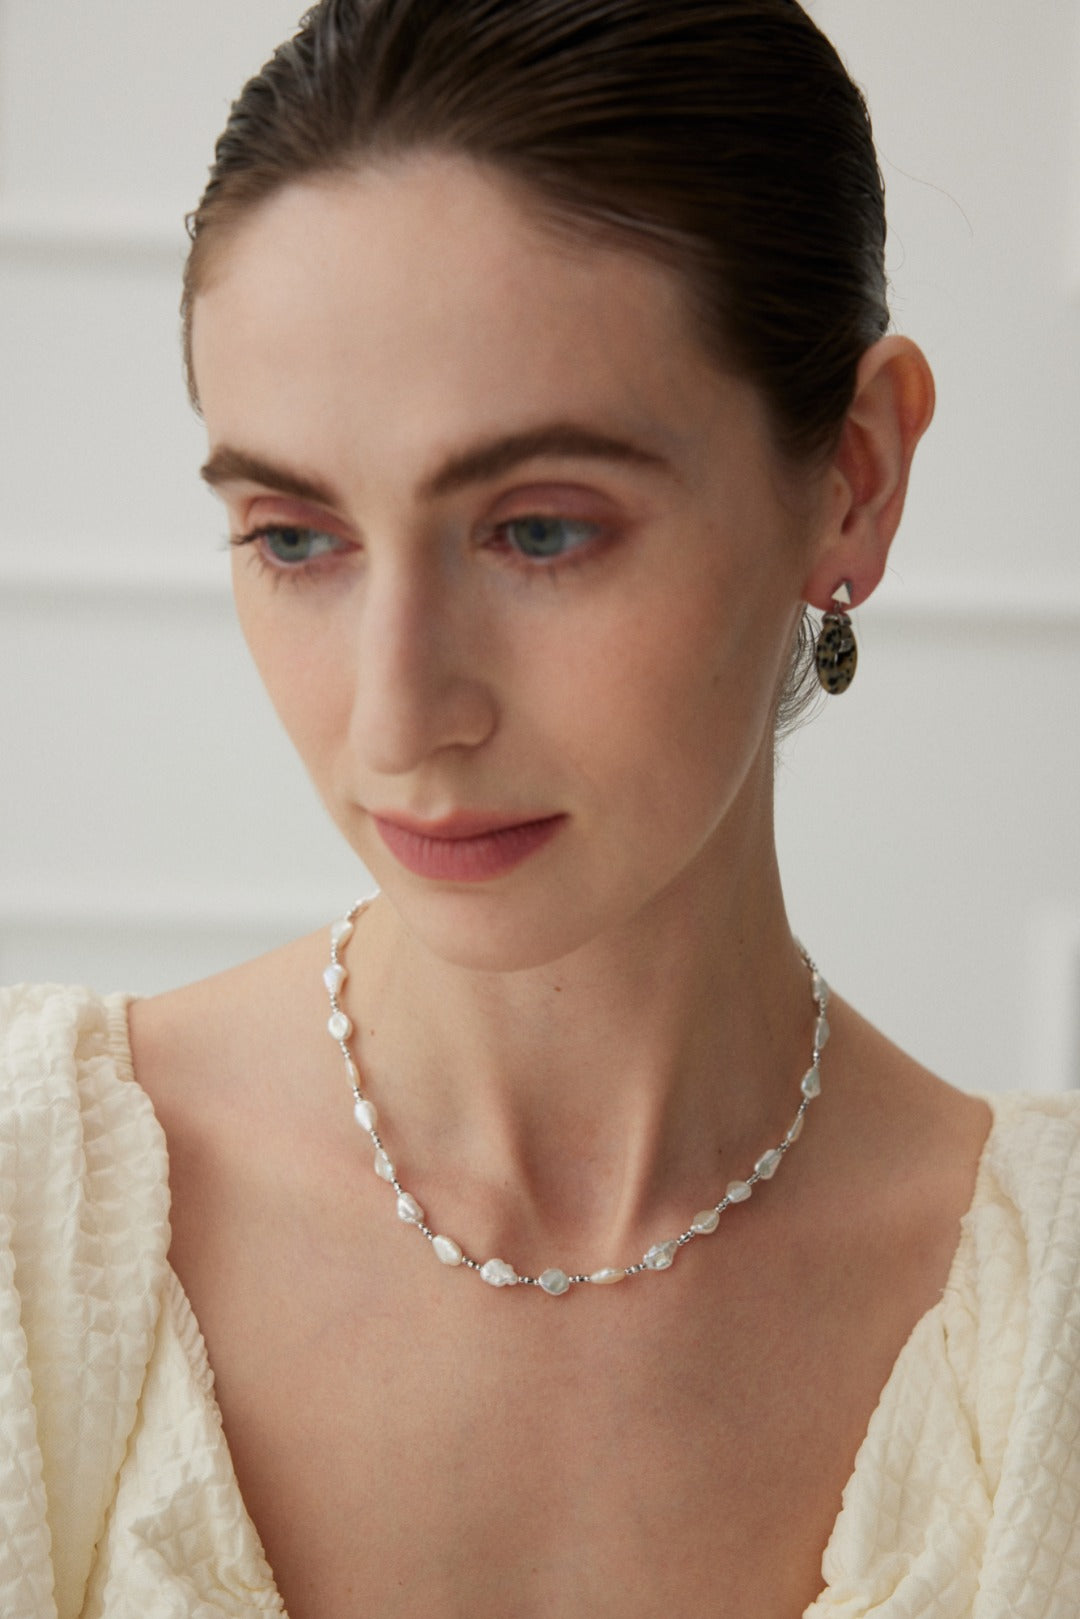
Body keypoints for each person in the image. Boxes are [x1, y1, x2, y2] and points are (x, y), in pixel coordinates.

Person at [2, 1, 1078, 1614]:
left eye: (541, 532)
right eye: (296, 538)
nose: (395, 716)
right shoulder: (26, 1218)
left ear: (852, 475)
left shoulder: (1048, 1332)